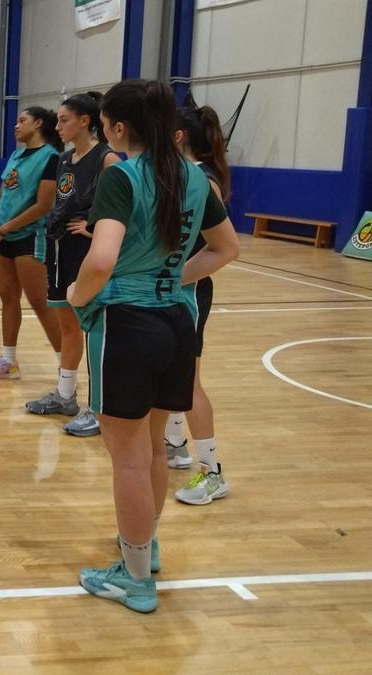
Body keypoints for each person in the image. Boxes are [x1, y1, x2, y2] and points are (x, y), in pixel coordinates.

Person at [69, 80, 240, 613]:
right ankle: (146, 546)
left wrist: (77, 294)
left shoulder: (121, 175)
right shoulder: (195, 176)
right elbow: (227, 249)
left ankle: (135, 578)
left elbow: (101, 260)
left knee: (129, 460)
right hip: (176, 322)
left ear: (119, 128)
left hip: (128, 326)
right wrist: (172, 280)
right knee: (153, 448)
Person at [24, 93, 119, 438]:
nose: (58, 126)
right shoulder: (64, 159)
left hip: (86, 251)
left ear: (85, 121)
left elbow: (127, 205)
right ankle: (66, 395)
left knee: (92, 327)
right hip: (59, 248)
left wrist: (94, 227)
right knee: (67, 324)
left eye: (64, 119)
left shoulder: (107, 158)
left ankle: (97, 409)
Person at [166, 103, 234, 506]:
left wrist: (175, 275)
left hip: (189, 291)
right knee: (172, 376)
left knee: (189, 383)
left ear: (178, 137)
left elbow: (220, 246)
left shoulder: (202, 181)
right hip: (175, 290)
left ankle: (213, 472)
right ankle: (175, 442)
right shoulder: (182, 177)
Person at [0, 108, 64, 380]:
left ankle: (67, 368)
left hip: (30, 237)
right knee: (8, 299)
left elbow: (44, 204)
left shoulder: (51, 157)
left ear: (38, 124)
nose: (16, 126)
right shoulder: (16, 155)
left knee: (41, 303)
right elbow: (2, 194)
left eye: (22, 121)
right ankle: (9, 361)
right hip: (3, 237)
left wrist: (4, 228)